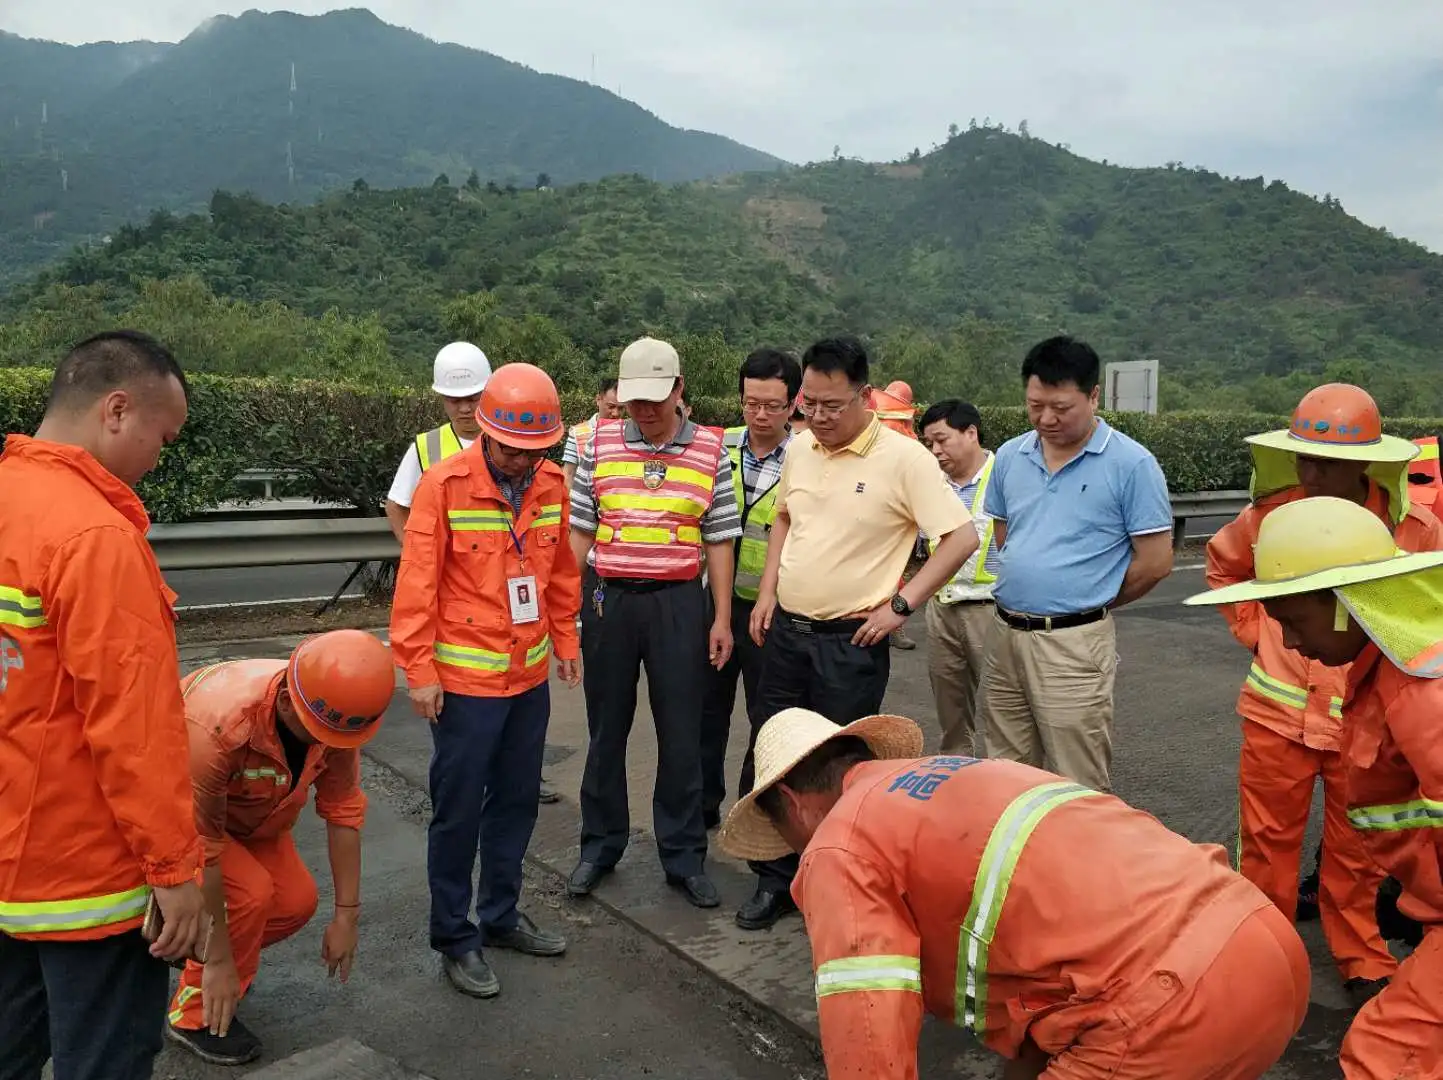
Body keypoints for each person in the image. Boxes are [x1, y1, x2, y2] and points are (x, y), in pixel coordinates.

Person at [718, 709, 1310, 1080]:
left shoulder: (838, 844)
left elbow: (867, 1035)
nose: (797, 852)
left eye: (785, 837)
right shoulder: (963, 775)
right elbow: (1053, 977)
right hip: (1263, 953)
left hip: (1169, 1013)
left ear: (793, 803)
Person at [0, 330, 208, 1080]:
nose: (161, 455)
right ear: (118, 410)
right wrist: (176, 874)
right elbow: (135, 731)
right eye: (163, 435)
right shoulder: (94, 536)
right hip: (87, 879)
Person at [1185, 496, 1443, 1080]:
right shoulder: (1389, 668)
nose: (1292, 645)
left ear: (1344, 606)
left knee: (1385, 1055)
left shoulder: (1424, 697)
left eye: (1294, 623)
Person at [1206, 383, 1435, 1007]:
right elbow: (1223, 568)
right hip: (1277, 714)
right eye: (1305, 458)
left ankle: (1360, 951)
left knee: (1358, 847)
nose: (1314, 472)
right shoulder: (1270, 515)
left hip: (1369, 724)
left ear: (1368, 461)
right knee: (1266, 845)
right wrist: (1258, 631)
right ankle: (1260, 954)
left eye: (1330, 461)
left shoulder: (1415, 529)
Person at [742, 337, 976, 930]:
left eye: (831, 406)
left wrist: (902, 604)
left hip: (850, 645)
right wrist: (768, 591)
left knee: (841, 771)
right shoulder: (800, 448)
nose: (817, 418)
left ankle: (838, 881)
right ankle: (774, 882)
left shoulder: (905, 460)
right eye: (809, 405)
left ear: (864, 396)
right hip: (788, 635)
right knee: (773, 761)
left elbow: (961, 537)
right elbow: (785, 519)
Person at [391, 363, 581, 998]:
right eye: (512, 450)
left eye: (536, 451)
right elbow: (415, 587)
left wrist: (566, 639)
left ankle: (500, 915)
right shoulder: (443, 485)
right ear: (485, 431)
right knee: (458, 811)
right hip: (465, 686)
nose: (522, 462)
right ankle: (454, 933)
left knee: (518, 800)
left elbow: (557, 574)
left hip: (526, 681)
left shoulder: (551, 483)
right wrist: (418, 672)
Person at [164, 631, 395, 1065]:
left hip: (252, 817)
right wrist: (218, 963)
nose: (320, 743)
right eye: (315, 733)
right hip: (182, 815)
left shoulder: (336, 718)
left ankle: (193, 946)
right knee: (250, 895)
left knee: (295, 901)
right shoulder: (218, 728)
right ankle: (194, 1014)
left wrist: (347, 916)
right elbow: (206, 850)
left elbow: (343, 811)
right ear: (287, 700)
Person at [566, 336, 740, 909]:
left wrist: (720, 617)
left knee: (681, 731)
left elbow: (718, 539)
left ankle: (684, 855)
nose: (642, 412)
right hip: (609, 601)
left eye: (655, 401)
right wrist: (566, 603)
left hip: (678, 605)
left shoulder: (713, 450)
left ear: (679, 390)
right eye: (633, 401)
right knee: (605, 727)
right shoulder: (596, 442)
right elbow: (581, 530)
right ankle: (599, 846)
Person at [980, 336, 1173, 793]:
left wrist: (1090, 600)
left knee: (1075, 779)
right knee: (1003, 771)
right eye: (1035, 406)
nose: (1046, 419)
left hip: (1073, 644)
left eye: (1061, 408)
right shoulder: (1011, 455)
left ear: (1093, 396)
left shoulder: (1131, 464)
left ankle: (1080, 865)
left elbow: (1156, 562)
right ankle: (1016, 865)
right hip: (1004, 634)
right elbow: (1007, 536)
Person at [699, 347, 802, 831]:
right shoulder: (718, 447)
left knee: (767, 721)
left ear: (793, 403)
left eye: (772, 406)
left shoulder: (807, 457)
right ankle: (699, 813)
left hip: (771, 612)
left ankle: (751, 818)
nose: (760, 415)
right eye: (750, 403)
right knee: (704, 716)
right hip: (715, 606)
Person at [919, 399, 1000, 754]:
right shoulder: (929, 484)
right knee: (950, 712)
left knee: (1003, 708)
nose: (936, 451)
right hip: (942, 609)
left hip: (993, 610)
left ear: (971, 433)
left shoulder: (1004, 478)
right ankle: (957, 776)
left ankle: (1009, 782)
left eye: (942, 440)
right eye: (929, 443)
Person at [561, 376, 624, 490]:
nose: (615, 413)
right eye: (611, 406)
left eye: (621, 408)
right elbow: (568, 474)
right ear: (598, 399)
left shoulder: (628, 433)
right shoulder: (577, 433)